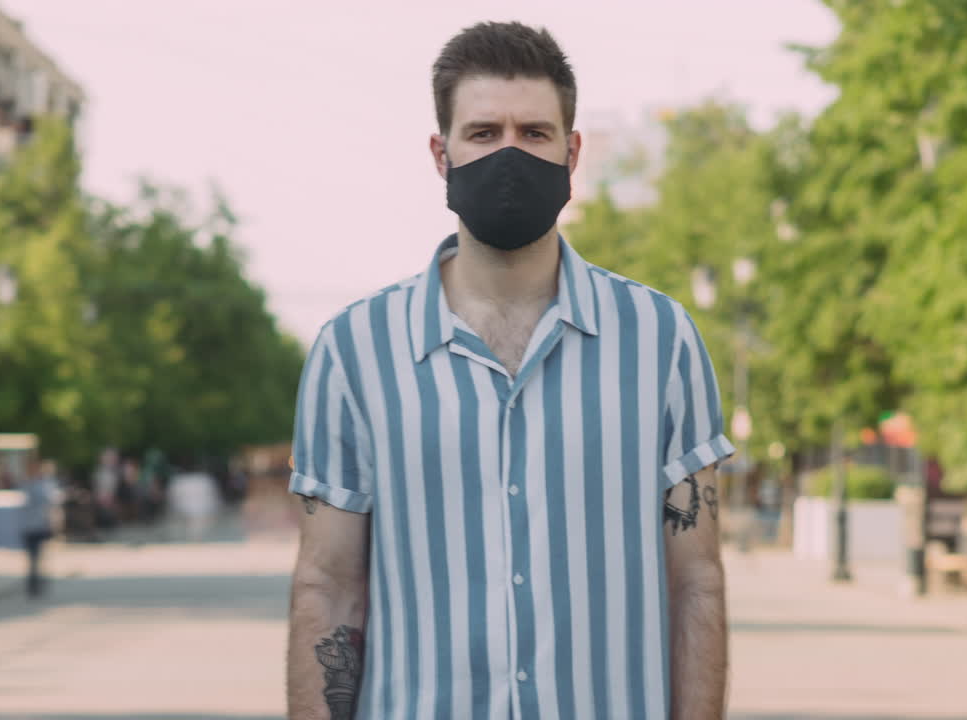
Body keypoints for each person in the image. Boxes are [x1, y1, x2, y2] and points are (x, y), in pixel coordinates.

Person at [286, 22, 733, 720]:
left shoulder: (660, 339)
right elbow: (328, 587)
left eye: (534, 132)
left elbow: (696, 584)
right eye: (484, 133)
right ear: (442, 153)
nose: (510, 154)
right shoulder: (354, 352)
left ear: (572, 150)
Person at [21, 459, 63, 598]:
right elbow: (52, 502)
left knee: (36, 556)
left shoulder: (27, 485)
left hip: (34, 526)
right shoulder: (40, 486)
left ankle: (35, 582)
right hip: (35, 526)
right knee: (35, 557)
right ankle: (36, 582)